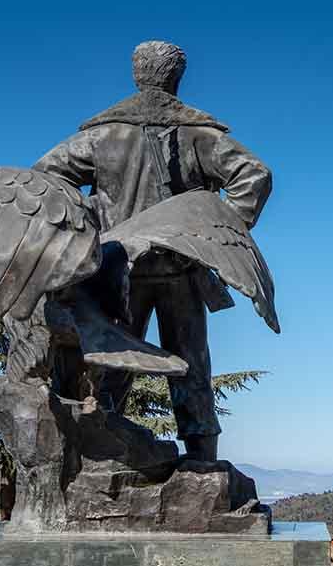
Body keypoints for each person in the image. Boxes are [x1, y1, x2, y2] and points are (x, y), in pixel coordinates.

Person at [34, 40, 273, 461]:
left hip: (115, 270)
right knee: (191, 368)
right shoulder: (201, 135)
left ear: (136, 74)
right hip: (177, 270)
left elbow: (44, 182)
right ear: (176, 79)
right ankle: (202, 462)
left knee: (111, 363)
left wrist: (83, 232)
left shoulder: (100, 137)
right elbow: (254, 176)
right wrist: (213, 230)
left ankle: (102, 456)